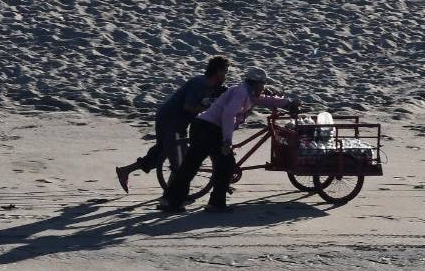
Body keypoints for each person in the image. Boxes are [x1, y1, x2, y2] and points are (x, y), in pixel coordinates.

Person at [158, 68, 297, 213]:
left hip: (204, 126)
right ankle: (211, 203)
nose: (263, 87)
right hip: (208, 129)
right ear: (256, 83)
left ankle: (172, 200)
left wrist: (288, 103)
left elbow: (265, 100)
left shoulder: (248, 92)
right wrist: (227, 141)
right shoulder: (241, 92)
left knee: (195, 165)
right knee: (221, 165)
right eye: (262, 84)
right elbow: (228, 115)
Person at [115, 56, 229, 193]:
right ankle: (173, 194)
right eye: (225, 72)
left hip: (175, 121)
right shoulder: (200, 83)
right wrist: (208, 108)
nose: (226, 76)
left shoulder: (211, 86)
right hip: (171, 120)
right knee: (180, 160)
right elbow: (188, 106)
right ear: (218, 71)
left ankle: (125, 171)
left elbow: (224, 93)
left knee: (162, 151)